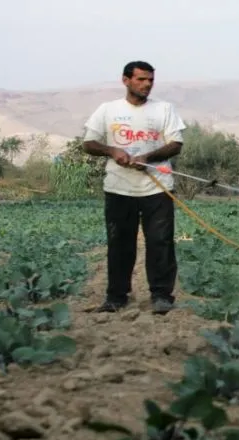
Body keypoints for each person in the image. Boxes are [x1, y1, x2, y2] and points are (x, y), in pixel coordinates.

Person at [82, 60, 187, 314]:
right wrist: (112, 150)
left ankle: (161, 296)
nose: (147, 84)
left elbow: (176, 144)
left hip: (158, 188)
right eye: (141, 79)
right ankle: (116, 297)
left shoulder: (164, 109)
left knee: (160, 243)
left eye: (150, 80)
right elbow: (89, 143)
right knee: (119, 243)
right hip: (119, 189)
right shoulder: (107, 110)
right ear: (126, 80)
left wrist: (147, 158)